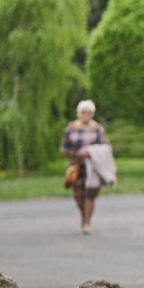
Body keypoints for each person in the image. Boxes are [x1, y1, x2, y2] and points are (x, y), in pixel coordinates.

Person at [61, 100, 110, 234]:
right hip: (76, 165)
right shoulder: (71, 128)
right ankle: (83, 216)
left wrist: (90, 150)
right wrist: (77, 153)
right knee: (78, 195)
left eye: (89, 112)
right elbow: (64, 148)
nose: (86, 115)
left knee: (90, 194)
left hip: (92, 166)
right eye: (84, 112)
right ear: (79, 113)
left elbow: (105, 147)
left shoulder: (98, 129)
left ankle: (87, 222)